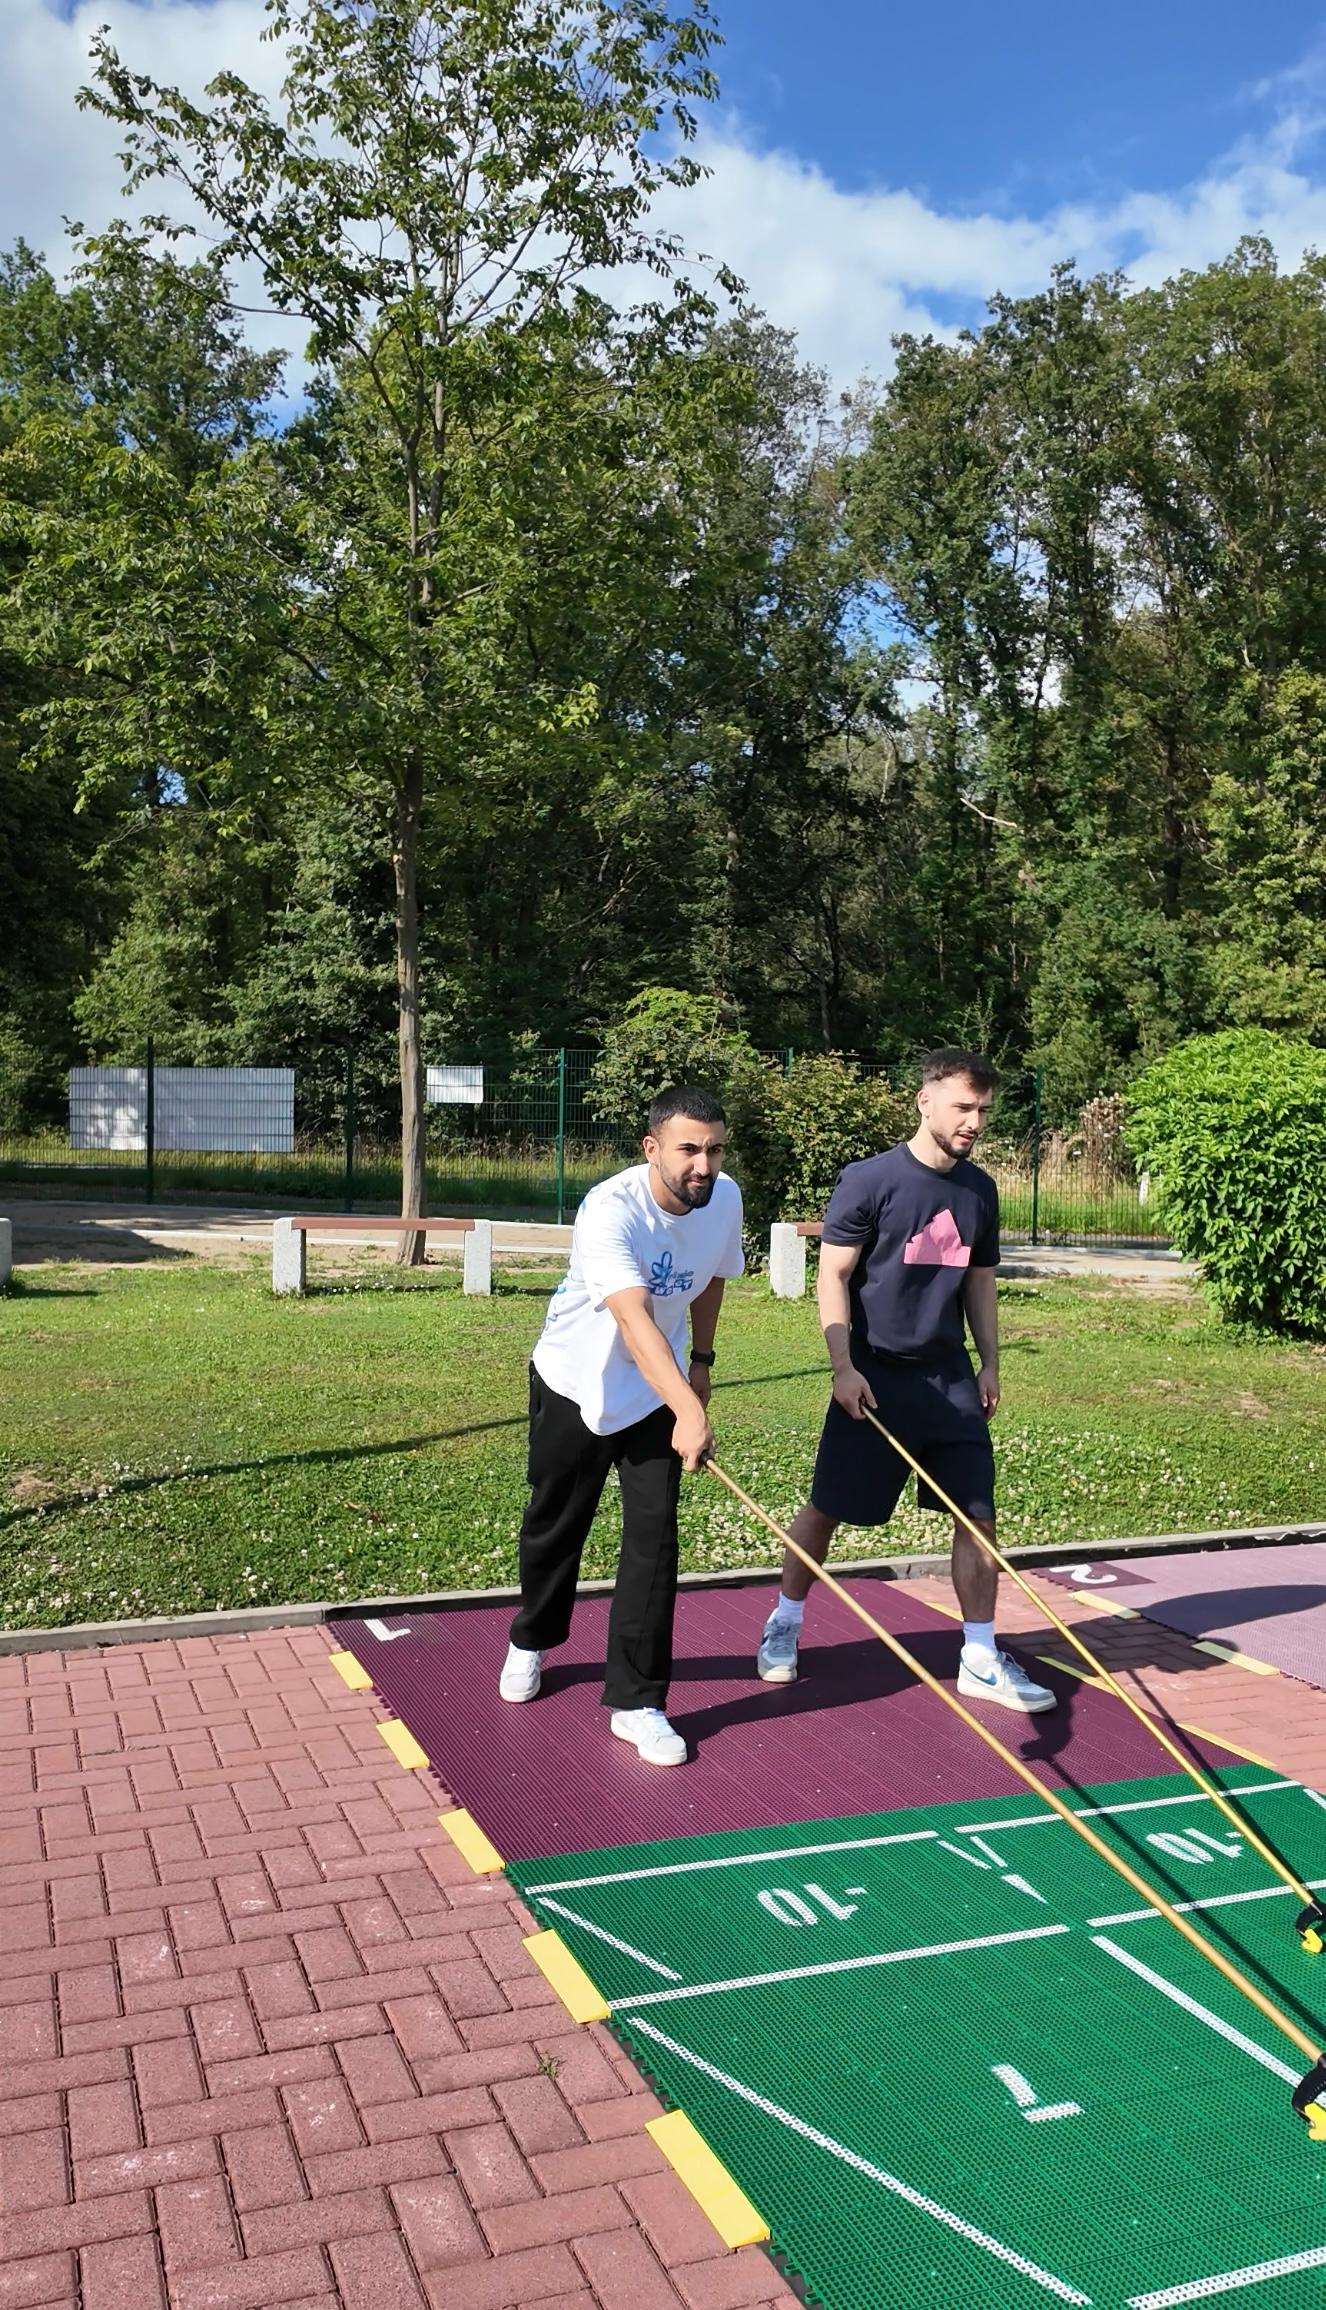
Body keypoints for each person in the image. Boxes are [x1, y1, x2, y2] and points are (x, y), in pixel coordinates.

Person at [754, 1047, 1054, 1713]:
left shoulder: (980, 1190)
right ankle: (785, 1619)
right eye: (963, 1107)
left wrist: (990, 1361)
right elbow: (832, 1276)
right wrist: (843, 1368)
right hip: (875, 1380)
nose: (974, 1121)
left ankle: (979, 1655)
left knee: (977, 1515)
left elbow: (979, 1281)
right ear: (925, 1102)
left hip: (949, 1383)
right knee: (827, 1509)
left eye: (983, 1110)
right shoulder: (870, 1180)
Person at [500, 1085, 744, 1765]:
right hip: (576, 1380)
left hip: (656, 1391)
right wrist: (690, 1410)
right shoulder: (609, 1209)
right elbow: (633, 1322)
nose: (703, 1165)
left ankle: (638, 1702)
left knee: (654, 1539)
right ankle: (532, 1637)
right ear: (651, 1148)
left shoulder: (724, 1197)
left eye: (715, 1149)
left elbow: (714, 1277)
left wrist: (700, 1365)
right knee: (557, 1521)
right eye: (689, 1149)